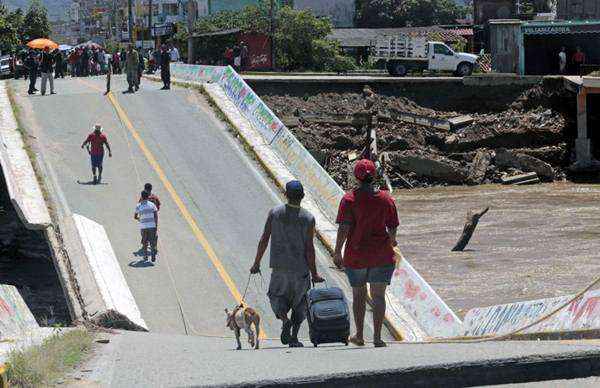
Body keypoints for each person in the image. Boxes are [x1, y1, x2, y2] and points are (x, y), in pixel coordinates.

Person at [333, 159, 399, 348]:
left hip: (356, 256)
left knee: (359, 295)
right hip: (382, 256)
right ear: (375, 175)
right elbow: (392, 227)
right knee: (378, 296)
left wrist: (337, 252)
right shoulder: (387, 199)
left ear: (356, 177)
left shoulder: (349, 200)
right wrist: (392, 241)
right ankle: (377, 337)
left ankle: (360, 335)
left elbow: (344, 229)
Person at [250, 180, 325, 348]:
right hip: (301, 270)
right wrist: (314, 274)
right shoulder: (308, 218)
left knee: (276, 297)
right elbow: (309, 249)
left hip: (279, 268)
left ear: (286, 195)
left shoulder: (274, 213)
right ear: (303, 196)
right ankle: (294, 338)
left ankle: (285, 320)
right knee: (300, 303)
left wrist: (256, 263)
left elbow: (264, 239)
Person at [135, 190, 159, 262]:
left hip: (143, 226)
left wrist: (140, 219)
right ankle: (153, 255)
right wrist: (156, 225)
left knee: (145, 241)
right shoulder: (152, 205)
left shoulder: (138, 205)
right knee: (152, 241)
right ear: (148, 197)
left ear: (141, 197)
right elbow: (156, 215)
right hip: (152, 226)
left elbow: (135, 216)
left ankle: (145, 256)